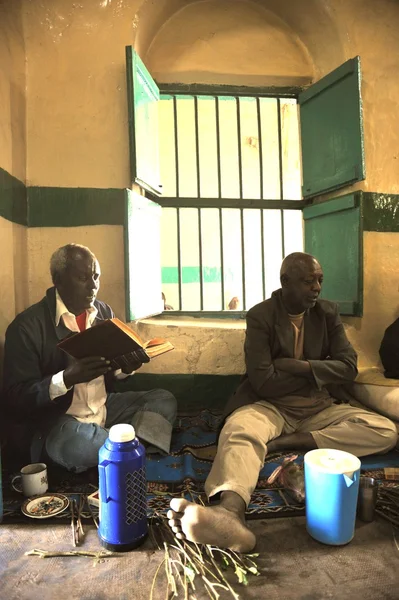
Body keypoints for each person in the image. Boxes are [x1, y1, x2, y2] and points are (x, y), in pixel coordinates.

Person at [167, 252, 398, 552]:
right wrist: (320, 370)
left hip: (318, 406)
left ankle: (293, 441)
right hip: (270, 405)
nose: (316, 287)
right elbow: (264, 381)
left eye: (319, 280)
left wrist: (297, 366)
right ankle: (229, 514)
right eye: (307, 281)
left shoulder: (327, 313)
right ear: (285, 282)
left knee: (385, 429)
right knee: (240, 431)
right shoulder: (261, 316)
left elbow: (349, 367)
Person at [2, 244, 177, 472]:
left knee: (163, 399)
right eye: (83, 277)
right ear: (58, 279)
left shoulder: (103, 313)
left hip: (103, 407)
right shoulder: (26, 327)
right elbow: (16, 397)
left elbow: (111, 368)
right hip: (59, 423)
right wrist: (66, 378)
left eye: (96, 277)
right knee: (81, 444)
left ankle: (117, 451)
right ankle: (132, 447)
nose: (93, 286)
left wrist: (126, 367)